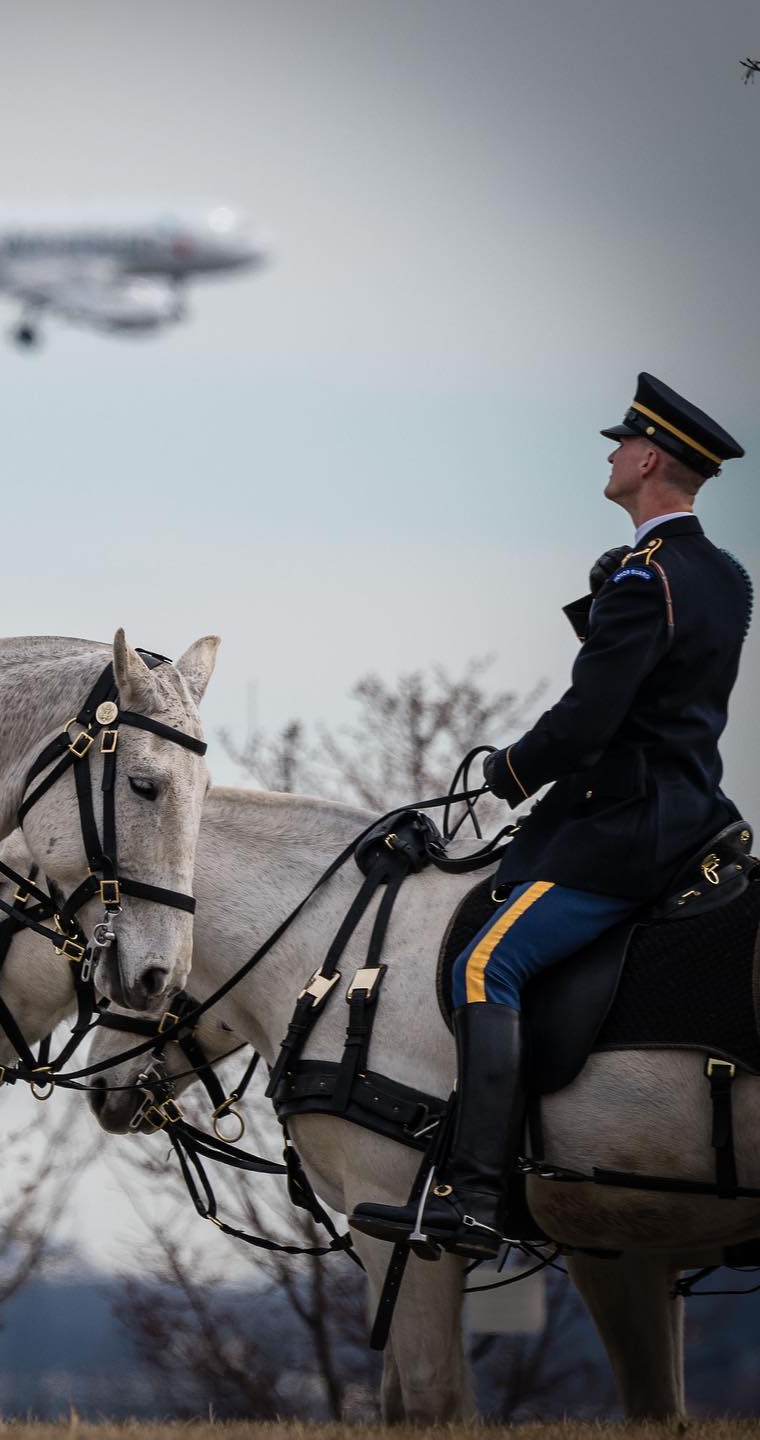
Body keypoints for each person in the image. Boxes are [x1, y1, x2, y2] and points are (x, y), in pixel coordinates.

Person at [351, 372, 750, 1259]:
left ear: (649, 461)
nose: (610, 455)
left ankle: (475, 1196)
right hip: (695, 816)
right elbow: (664, 692)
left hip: (621, 834)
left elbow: (589, 721)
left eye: (621, 445)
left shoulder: (648, 579)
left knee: (486, 965)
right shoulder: (723, 575)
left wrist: (507, 771)